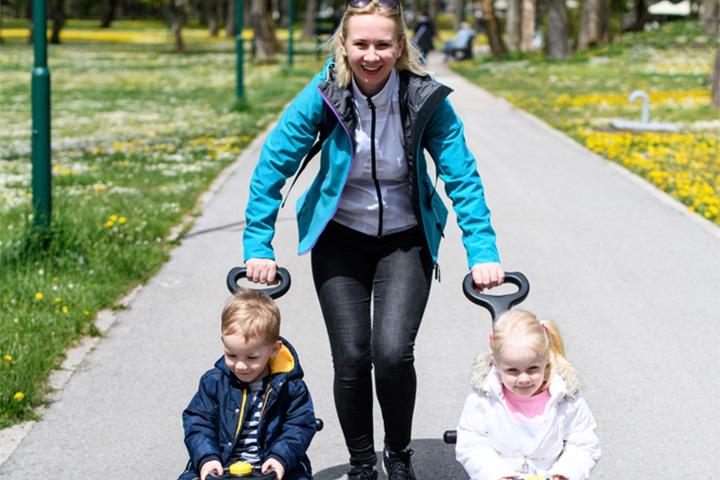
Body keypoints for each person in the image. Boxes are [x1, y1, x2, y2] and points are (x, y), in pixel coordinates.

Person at [243, 0, 504, 478]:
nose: (371, 54)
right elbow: (272, 166)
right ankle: (363, 463)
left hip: (405, 240)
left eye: (383, 44)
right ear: (343, 45)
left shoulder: (424, 98)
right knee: (351, 357)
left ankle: (399, 454)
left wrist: (482, 251)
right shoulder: (323, 94)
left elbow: (462, 176)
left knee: (391, 352)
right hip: (340, 239)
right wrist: (258, 244)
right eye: (360, 43)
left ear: (400, 45)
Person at [178, 290, 316, 480]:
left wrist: (280, 457)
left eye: (251, 357)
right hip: (221, 465)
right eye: (231, 355)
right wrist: (207, 458)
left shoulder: (290, 387)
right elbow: (198, 422)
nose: (241, 365)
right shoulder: (214, 382)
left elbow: (299, 426)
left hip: (271, 466)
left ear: (274, 349)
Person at [455, 310, 601, 480]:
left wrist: (565, 473)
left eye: (532, 369)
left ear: (546, 361)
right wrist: (496, 474)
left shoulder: (565, 398)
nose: (523, 378)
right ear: (496, 365)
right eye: (512, 371)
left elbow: (583, 444)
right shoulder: (483, 399)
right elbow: (472, 445)